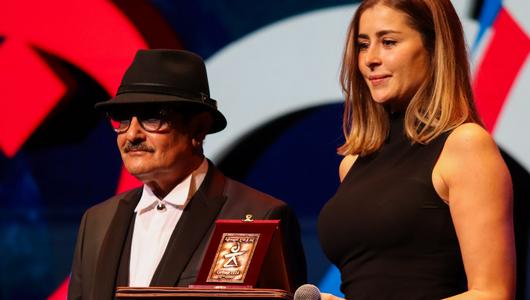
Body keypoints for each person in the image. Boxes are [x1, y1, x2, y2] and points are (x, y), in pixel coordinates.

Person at [67, 49, 307, 299]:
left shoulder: (259, 216)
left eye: (151, 118)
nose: (132, 134)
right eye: (122, 119)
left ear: (198, 129)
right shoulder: (96, 222)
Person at [317, 0, 515, 299]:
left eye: (388, 42)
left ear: (434, 48)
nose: (370, 58)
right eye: (362, 44)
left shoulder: (465, 146)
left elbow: (492, 293)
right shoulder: (353, 162)